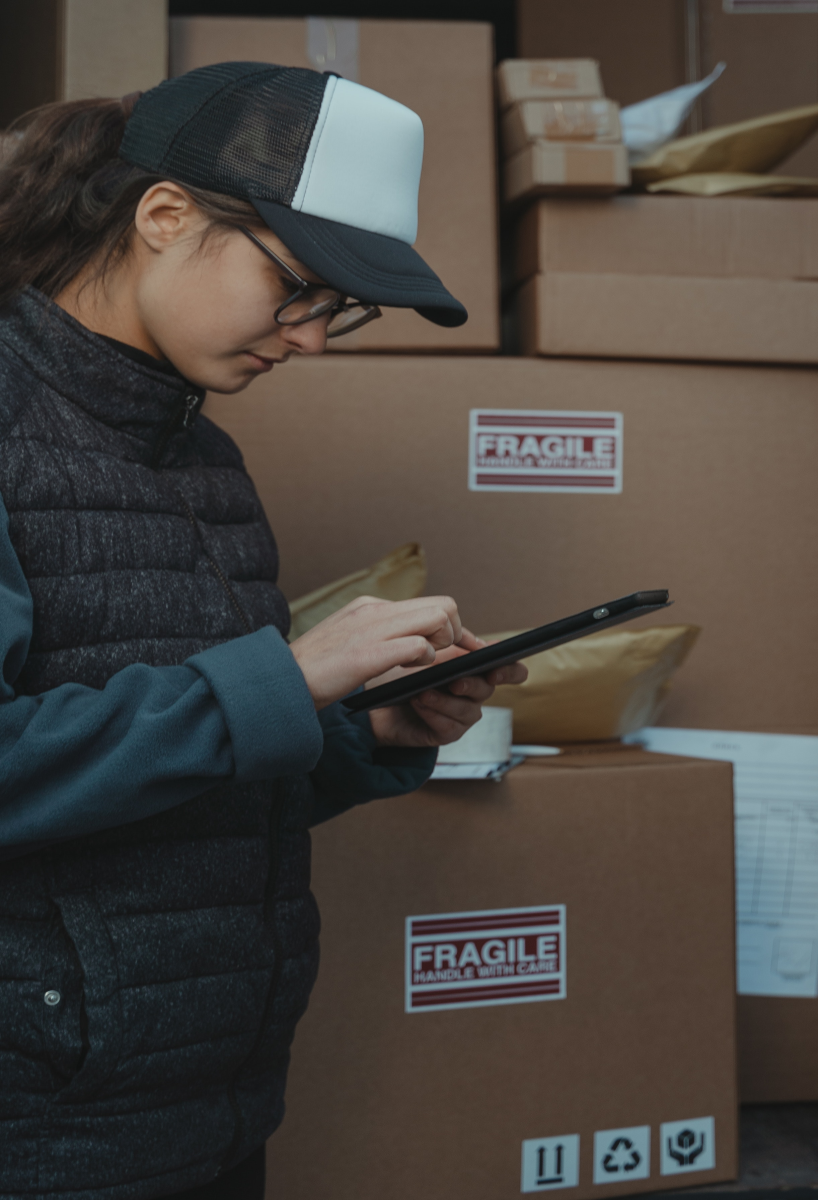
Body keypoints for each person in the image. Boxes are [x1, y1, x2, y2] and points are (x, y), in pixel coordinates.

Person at [0, 62, 526, 1200]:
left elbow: (204, 782)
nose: (314, 339)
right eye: (299, 286)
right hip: (47, 1138)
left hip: (215, 1108)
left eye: (340, 307)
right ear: (165, 216)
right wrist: (285, 678)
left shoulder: (206, 461)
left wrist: (365, 727)